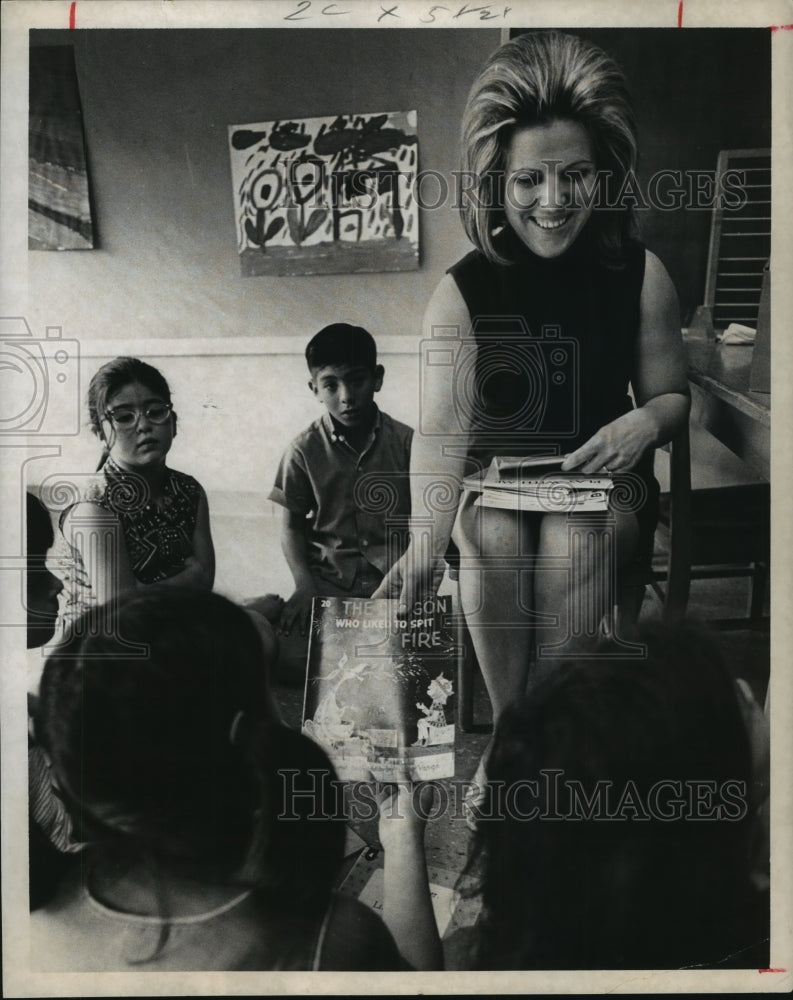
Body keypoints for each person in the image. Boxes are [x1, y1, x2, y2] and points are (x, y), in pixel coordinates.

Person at [376, 31, 690, 794]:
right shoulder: (461, 291)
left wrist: (642, 424)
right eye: (528, 180)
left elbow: (671, 398)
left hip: (605, 483)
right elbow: (442, 431)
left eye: (573, 175)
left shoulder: (640, 273)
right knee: (487, 531)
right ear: (496, 182)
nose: (552, 201)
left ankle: (548, 738)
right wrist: (423, 542)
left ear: (602, 175)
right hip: (500, 481)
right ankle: (516, 734)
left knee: (571, 541)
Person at [28, 588, 438, 971]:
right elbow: (419, 983)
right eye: (268, 686)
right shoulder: (335, 940)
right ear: (250, 730)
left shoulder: (35, 901)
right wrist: (402, 841)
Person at [377, 622, 769, 970]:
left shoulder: (522, 946)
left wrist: (401, 839)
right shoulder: (753, 940)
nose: (747, 688)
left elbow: (412, 978)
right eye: (738, 703)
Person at [267, 323, 413, 681]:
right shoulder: (303, 450)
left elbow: (431, 519)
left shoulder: (407, 443)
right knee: (290, 660)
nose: (346, 396)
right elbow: (290, 525)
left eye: (357, 380)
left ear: (377, 378)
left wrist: (418, 578)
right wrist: (304, 585)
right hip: (329, 586)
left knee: (412, 665)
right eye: (331, 385)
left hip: (394, 585)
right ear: (314, 389)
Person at [50, 357, 215, 632]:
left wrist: (147, 591)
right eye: (124, 417)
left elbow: (205, 583)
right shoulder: (94, 508)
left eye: (156, 411)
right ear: (100, 433)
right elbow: (122, 612)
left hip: (167, 627)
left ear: (173, 422)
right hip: (101, 643)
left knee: (258, 630)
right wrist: (189, 579)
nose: (143, 425)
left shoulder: (189, 491)